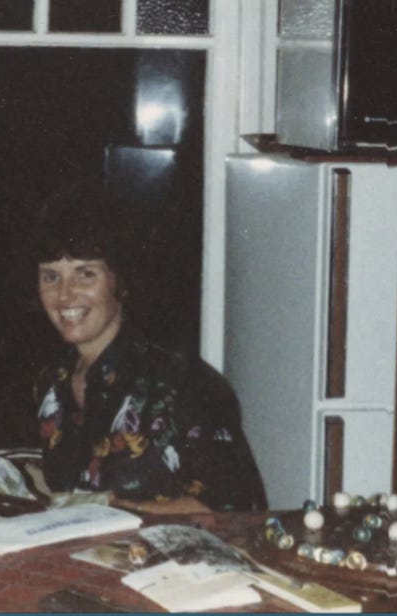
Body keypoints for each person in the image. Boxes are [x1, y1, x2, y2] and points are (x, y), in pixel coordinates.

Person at [29, 181, 267, 513]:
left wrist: (110, 511)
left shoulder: (181, 384)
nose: (65, 295)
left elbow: (233, 509)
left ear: (119, 281)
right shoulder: (52, 383)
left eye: (85, 274)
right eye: (51, 277)